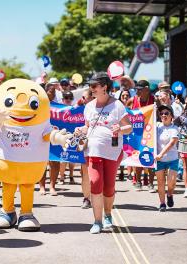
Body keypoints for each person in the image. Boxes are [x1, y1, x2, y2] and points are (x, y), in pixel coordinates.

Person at [75, 72, 132, 234]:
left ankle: (108, 215)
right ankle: (97, 221)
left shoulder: (117, 105)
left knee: (109, 187)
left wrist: (120, 128)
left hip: (112, 152)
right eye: (90, 86)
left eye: (94, 86)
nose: (91, 89)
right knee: (95, 184)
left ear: (104, 87)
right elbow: (88, 126)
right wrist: (81, 129)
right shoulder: (89, 107)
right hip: (92, 152)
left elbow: (129, 127)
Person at [127, 80, 155, 191]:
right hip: (137, 133)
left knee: (150, 156)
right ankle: (138, 181)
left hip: (150, 132)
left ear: (147, 89)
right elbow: (125, 113)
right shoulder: (132, 100)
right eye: (136, 89)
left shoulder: (154, 100)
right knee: (137, 156)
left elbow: (161, 113)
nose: (137, 91)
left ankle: (151, 183)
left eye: (140, 89)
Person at [154, 105, 179, 212]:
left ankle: (169, 194)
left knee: (171, 182)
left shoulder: (175, 128)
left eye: (166, 113)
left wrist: (161, 154)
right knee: (160, 182)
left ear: (171, 116)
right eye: (161, 113)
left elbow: (172, 143)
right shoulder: (156, 126)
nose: (163, 115)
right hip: (159, 160)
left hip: (172, 158)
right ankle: (162, 203)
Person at [39, 82, 61, 196]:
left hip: (54, 136)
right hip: (41, 137)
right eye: (51, 91)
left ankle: (52, 186)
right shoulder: (39, 105)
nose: (53, 94)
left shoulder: (58, 106)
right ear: (45, 92)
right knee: (42, 162)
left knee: (55, 162)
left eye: (54, 92)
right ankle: (42, 186)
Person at [58, 91, 76, 185]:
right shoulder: (58, 110)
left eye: (70, 98)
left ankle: (71, 176)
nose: (68, 100)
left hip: (73, 136)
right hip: (62, 136)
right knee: (63, 159)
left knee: (72, 159)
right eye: (66, 98)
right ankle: (61, 177)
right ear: (62, 99)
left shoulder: (75, 109)